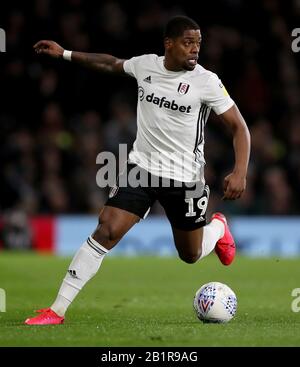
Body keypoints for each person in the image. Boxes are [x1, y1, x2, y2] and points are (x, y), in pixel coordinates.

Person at [25, 16, 250, 325]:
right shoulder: (146, 66)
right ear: (168, 44)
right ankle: (57, 310)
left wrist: (240, 172)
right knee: (107, 229)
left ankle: (218, 229)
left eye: (198, 44)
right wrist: (65, 54)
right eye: (188, 43)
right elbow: (110, 63)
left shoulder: (206, 82)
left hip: (184, 178)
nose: (195, 50)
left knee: (191, 255)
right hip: (141, 168)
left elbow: (239, 127)